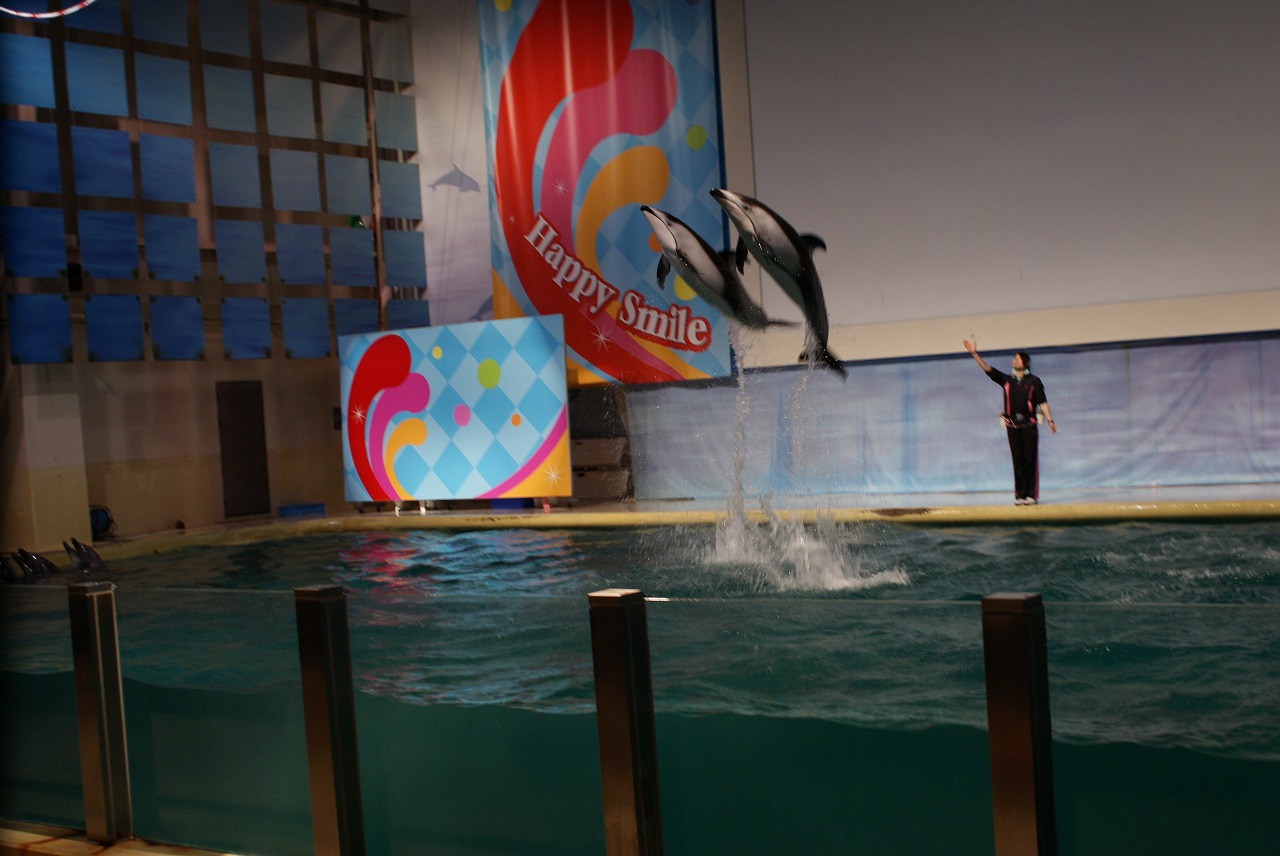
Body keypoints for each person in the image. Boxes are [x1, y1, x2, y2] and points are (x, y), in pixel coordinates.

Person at [962, 340, 1056, 505]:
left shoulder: (1034, 381)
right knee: (1017, 460)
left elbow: (1042, 402)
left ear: (1025, 362)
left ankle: (1031, 495)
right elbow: (987, 369)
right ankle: (1020, 495)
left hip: (1029, 425)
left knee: (1030, 460)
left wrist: (1050, 420)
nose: (1015, 361)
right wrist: (974, 354)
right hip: (1012, 425)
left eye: (1018, 359)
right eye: (1014, 358)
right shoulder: (1007, 380)